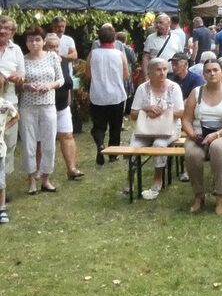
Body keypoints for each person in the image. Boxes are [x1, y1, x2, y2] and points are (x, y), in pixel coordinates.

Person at [183, 59, 222, 214]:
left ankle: (220, 196)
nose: (212, 73)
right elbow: (186, 119)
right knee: (191, 153)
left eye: (215, 70)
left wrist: (216, 135)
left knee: (217, 147)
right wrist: (191, 134)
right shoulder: (196, 93)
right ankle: (199, 195)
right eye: (208, 71)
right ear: (203, 75)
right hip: (199, 135)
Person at [127, 58, 184, 199]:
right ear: (150, 72)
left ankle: (158, 179)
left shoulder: (174, 87)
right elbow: (133, 114)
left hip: (169, 128)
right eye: (158, 70)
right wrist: (146, 109)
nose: (162, 73)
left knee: (160, 144)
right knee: (134, 145)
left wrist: (163, 111)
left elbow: (181, 113)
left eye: (165, 69)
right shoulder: (143, 88)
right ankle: (130, 178)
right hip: (145, 129)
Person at [19, 25, 63, 194]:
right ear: (26, 42)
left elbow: (60, 79)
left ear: (44, 41)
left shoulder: (52, 57)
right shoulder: (22, 59)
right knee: (29, 144)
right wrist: (25, 86)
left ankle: (45, 178)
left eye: (37, 39)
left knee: (49, 143)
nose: (34, 43)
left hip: (48, 105)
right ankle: (31, 180)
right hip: (28, 106)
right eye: (31, 40)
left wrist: (49, 85)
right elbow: (18, 84)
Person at [86, 25, 129, 166]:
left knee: (99, 126)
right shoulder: (120, 55)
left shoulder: (93, 54)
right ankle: (113, 154)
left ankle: (100, 144)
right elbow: (126, 75)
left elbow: (87, 75)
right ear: (114, 38)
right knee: (115, 126)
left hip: (98, 95)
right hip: (116, 96)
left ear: (99, 38)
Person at [44, 34, 83, 181]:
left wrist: (68, 100)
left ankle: (71, 168)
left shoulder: (63, 61)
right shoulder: (40, 62)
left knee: (67, 135)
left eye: (56, 47)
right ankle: (39, 172)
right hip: (45, 105)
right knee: (42, 140)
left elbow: (67, 83)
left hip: (62, 105)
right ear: (44, 47)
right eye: (50, 47)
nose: (54, 50)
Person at [0, 16, 25, 187]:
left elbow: (22, 75)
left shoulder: (15, 50)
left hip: (9, 99)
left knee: (9, 141)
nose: (2, 31)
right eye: (0, 27)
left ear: (13, 32)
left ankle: (3, 184)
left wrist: (19, 78)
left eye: (7, 28)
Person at [0, 95, 19, 223]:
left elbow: (16, 116)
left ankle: (2, 208)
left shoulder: (4, 104)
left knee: (1, 181)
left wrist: (5, 127)